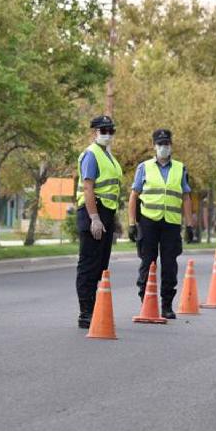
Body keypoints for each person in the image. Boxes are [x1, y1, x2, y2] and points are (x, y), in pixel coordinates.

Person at [127, 129, 195, 319]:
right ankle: (146, 302)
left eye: (167, 144)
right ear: (154, 146)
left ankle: (166, 305)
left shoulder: (180, 168)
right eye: (160, 144)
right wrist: (132, 223)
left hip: (171, 224)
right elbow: (134, 196)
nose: (164, 147)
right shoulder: (144, 167)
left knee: (169, 265)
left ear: (171, 145)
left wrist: (190, 225)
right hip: (148, 222)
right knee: (147, 263)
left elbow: (186, 197)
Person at [75, 115, 123, 329]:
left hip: (106, 213)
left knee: (101, 264)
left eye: (110, 131)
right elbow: (88, 187)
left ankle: (94, 308)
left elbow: (112, 190)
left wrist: (114, 219)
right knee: (89, 264)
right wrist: (94, 217)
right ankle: (86, 313)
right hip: (92, 211)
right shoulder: (91, 155)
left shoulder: (109, 157)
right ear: (93, 132)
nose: (107, 134)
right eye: (103, 131)